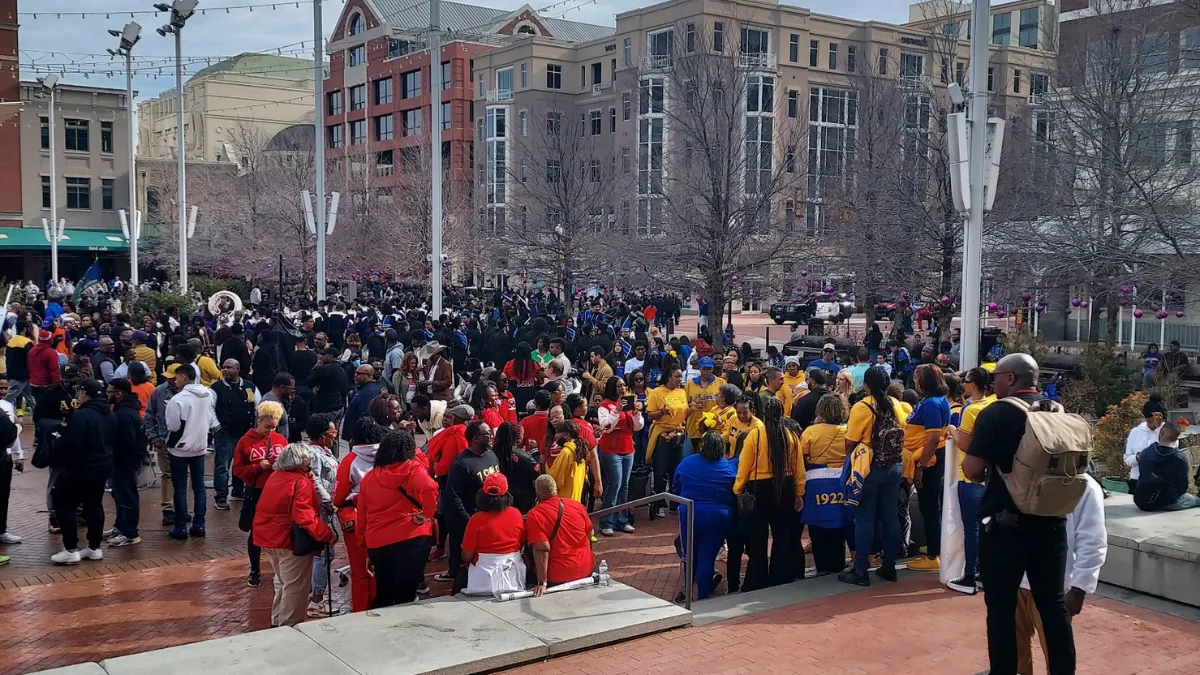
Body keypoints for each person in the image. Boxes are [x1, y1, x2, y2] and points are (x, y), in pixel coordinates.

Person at [962, 353, 1076, 675]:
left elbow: (972, 469)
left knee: (1000, 608)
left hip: (1005, 527)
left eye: (997, 375)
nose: (993, 381)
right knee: (1053, 606)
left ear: (1010, 379)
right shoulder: (1057, 411)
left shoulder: (997, 414)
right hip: (1052, 522)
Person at [1015, 473, 1107, 675]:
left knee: (1057, 655)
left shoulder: (1085, 485)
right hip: (1016, 579)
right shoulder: (1021, 472)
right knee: (1015, 653)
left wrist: (1079, 589)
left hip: (1055, 586)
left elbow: (1092, 541)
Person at [252, 442, 337, 627]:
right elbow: (304, 516)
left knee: (281, 582)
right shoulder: (300, 482)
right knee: (295, 586)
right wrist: (326, 534)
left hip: (268, 539)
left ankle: (277, 622)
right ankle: (288, 626)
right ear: (301, 462)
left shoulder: (276, 476)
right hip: (288, 540)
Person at [840, 366, 907, 587]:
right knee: (890, 516)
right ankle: (889, 566)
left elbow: (851, 440)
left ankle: (861, 570)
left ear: (866, 384)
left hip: (869, 466)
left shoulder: (863, 406)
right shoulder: (896, 404)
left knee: (864, 517)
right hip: (894, 465)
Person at [358, 429, 438, 607]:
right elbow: (431, 488)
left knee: (384, 592)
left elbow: (362, 517)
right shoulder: (412, 469)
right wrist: (427, 514)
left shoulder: (369, 477)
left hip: (378, 541)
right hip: (410, 538)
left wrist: (365, 549)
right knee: (406, 593)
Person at [734, 396, 802, 590]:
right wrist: (799, 492)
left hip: (759, 488)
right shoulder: (790, 436)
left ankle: (756, 579)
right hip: (785, 487)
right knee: (782, 534)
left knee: (758, 537)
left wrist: (738, 488)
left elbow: (744, 466)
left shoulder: (754, 436)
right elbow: (799, 469)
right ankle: (782, 575)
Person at [49, 379, 114, 565]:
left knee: (64, 504)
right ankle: (94, 547)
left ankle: (70, 549)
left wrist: (59, 446)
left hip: (79, 467)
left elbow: (71, 444)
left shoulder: (81, 416)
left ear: (84, 393)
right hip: (102, 465)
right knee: (94, 505)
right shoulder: (109, 415)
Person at [332, 418, 388, 612]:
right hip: (384, 517)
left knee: (359, 570)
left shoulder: (350, 460)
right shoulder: (389, 455)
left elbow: (338, 497)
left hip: (356, 519)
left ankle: (360, 610)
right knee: (382, 566)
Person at [947, 367, 994, 595]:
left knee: (972, 529)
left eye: (966, 381)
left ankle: (969, 576)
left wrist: (952, 430)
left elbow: (964, 444)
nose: (963, 385)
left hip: (970, 475)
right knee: (985, 529)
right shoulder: (992, 405)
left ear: (973, 384)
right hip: (989, 475)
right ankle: (983, 574)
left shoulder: (971, 410)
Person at [673, 430, 736, 600]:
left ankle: (686, 593)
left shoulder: (687, 462)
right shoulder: (729, 467)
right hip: (718, 516)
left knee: (688, 555)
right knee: (707, 556)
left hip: (690, 513)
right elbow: (735, 493)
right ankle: (702, 595)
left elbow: (675, 488)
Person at [232, 401, 289, 587]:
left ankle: (281, 569)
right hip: (256, 491)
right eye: (267, 426)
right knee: (255, 531)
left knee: (281, 529)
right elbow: (238, 469)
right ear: (259, 420)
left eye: (274, 427)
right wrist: (258, 467)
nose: (270, 431)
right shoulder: (245, 441)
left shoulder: (281, 440)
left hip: (278, 491)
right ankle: (254, 569)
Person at [440, 420, 500, 589]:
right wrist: (469, 521)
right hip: (469, 521)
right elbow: (453, 496)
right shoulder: (462, 464)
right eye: (487, 434)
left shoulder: (491, 455)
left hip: (491, 518)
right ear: (475, 438)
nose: (491, 436)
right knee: (464, 564)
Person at [798, 394, 851, 576]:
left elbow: (802, 458)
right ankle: (838, 564)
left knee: (817, 528)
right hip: (842, 482)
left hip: (816, 484)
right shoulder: (848, 430)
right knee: (840, 525)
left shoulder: (811, 431)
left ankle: (822, 567)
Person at [905, 364, 951, 573]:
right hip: (930, 457)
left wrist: (921, 465)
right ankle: (934, 549)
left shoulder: (932, 404)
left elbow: (932, 438)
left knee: (930, 507)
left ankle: (934, 555)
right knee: (931, 507)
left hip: (929, 460)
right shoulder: (935, 401)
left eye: (917, 377)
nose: (915, 381)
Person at [165, 365, 213, 539]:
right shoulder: (208, 395)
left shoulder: (178, 399)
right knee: (199, 486)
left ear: (184, 377)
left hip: (179, 448)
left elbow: (173, 426)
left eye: (176, 378)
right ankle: (199, 524)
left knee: (180, 487)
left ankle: (180, 527)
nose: (174, 381)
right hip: (199, 446)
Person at [527, 474, 595, 595]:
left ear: (537, 493)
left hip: (558, 576)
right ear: (555, 489)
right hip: (586, 569)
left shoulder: (535, 514)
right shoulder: (577, 505)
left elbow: (541, 549)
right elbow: (590, 534)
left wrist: (542, 582)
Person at [460, 472, 527, 595]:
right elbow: (521, 542)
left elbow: (466, 556)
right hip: (513, 580)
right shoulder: (516, 514)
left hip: (482, 582)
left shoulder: (476, 519)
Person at [596, 376, 642, 536]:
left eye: (623, 385)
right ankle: (606, 522)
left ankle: (622, 520)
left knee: (624, 486)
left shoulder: (630, 403)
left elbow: (638, 427)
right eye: (618, 386)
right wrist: (617, 410)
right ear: (611, 388)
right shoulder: (604, 406)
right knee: (614, 485)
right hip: (611, 449)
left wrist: (636, 414)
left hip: (628, 448)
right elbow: (606, 427)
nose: (622, 389)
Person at [211, 359, 260, 509]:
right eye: (223, 367)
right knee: (222, 466)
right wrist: (216, 426)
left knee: (242, 463)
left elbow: (258, 406)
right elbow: (210, 409)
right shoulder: (215, 388)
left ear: (237, 369)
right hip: (225, 434)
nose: (225, 370)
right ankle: (221, 497)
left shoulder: (249, 387)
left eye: (229, 367)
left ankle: (238, 490)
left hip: (246, 433)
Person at [106, 378, 146, 547]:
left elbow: (127, 441)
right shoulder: (124, 410)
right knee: (119, 494)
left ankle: (130, 533)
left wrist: (117, 457)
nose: (107, 394)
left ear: (119, 394)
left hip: (125, 461)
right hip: (123, 460)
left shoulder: (124, 414)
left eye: (110, 392)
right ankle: (120, 526)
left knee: (126, 495)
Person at [646, 365, 688, 519]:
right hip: (663, 434)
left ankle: (675, 503)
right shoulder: (657, 392)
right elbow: (650, 416)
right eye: (677, 377)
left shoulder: (682, 391)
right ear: (669, 377)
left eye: (680, 377)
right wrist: (662, 411)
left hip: (678, 434)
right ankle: (659, 504)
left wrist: (692, 409)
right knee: (661, 471)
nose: (679, 380)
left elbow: (684, 411)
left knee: (676, 471)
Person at [1134, 421, 1200, 511]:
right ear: (1176, 438)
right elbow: (1183, 487)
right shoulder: (1179, 458)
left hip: (1143, 499)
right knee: (1197, 500)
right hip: (1169, 502)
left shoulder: (1146, 452)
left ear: (1161, 433)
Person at [1124, 395, 1166, 495]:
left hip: (1159, 481)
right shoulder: (1136, 431)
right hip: (1137, 479)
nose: (1151, 424)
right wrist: (1137, 458)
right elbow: (1127, 458)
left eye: (1154, 421)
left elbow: (1170, 452)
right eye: (1149, 421)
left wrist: (1158, 429)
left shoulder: (1168, 431)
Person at [684, 356, 726, 452]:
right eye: (705, 369)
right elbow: (685, 405)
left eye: (709, 369)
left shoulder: (721, 383)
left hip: (714, 428)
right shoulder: (690, 384)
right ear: (700, 368)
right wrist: (692, 405)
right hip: (694, 428)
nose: (707, 371)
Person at [0, 377, 23, 548]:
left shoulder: (7, 405)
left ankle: (2, 530)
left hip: (4, 456)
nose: (2, 391)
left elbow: (13, 434)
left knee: (3, 495)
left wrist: (17, 454)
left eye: (5, 388)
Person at [343, 364, 381, 441]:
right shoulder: (362, 389)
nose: (355, 375)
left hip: (359, 437)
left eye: (359, 374)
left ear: (369, 375)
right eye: (355, 373)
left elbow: (365, 416)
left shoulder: (368, 392)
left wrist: (357, 435)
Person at [261, 373, 296, 441]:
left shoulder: (278, 401)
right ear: (282, 387)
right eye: (291, 389)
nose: (291, 391)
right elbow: (266, 432)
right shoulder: (269, 404)